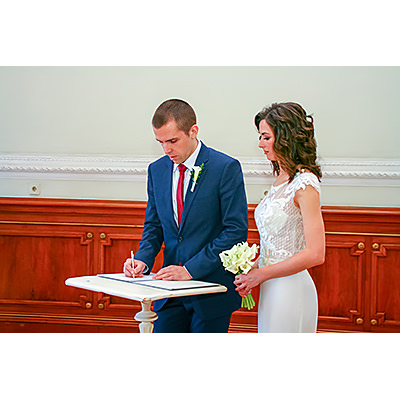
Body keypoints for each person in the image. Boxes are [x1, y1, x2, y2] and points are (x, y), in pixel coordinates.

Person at [123, 99, 248, 332]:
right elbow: (154, 226)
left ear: (193, 131)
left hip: (210, 291)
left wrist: (190, 270)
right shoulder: (157, 170)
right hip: (168, 294)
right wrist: (142, 259)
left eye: (172, 141)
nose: (167, 150)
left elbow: (235, 231)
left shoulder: (225, 167)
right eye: (160, 142)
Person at [234, 102, 325, 333]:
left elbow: (316, 253)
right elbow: (276, 243)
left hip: (291, 289)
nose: (260, 143)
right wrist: (252, 269)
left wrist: (260, 274)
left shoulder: (305, 184)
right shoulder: (281, 180)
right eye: (260, 137)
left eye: (266, 137)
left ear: (285, 138)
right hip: (271, 288)